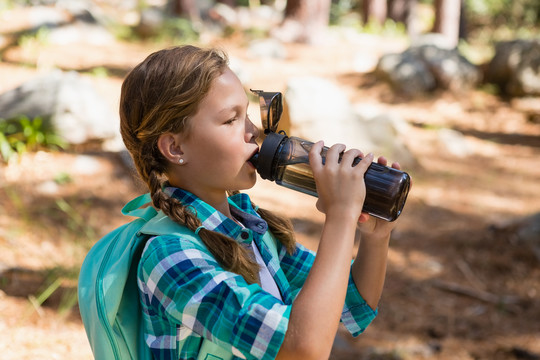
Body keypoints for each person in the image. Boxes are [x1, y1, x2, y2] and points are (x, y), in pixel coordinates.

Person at [119, 45, 401, 360]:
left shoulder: (250, 229)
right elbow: (303, 348)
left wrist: (376, 237)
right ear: (175, 147)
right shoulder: (170, 255)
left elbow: (351, 304)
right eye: (230, 120)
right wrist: (340, 216)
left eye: (248, 116)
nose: (253, 132)